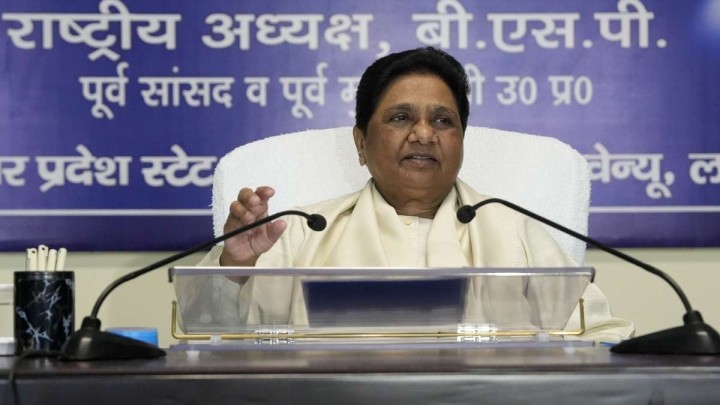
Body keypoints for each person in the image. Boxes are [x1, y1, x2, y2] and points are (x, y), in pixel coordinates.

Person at [183, 47, 634, 341]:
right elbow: (217, 340)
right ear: (361, 144)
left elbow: (600, 335)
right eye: (400, 118)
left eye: (443, 121)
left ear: (461, 140)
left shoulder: (515, 229)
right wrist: (234, 268)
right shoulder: (299, 232)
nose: (424, 134)